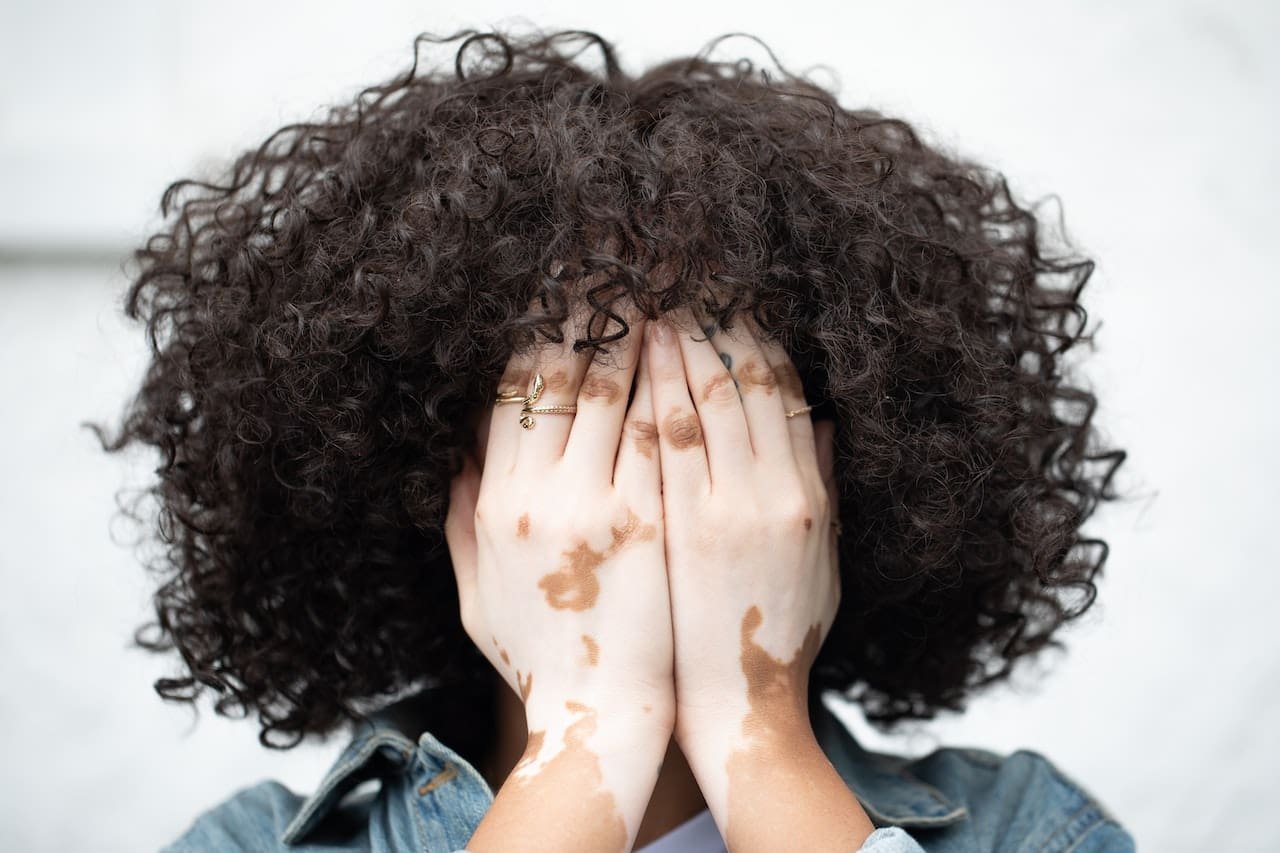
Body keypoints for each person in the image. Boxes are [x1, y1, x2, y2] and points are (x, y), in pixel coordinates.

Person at [91, 26, 1136, 851]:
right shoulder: (250, 844)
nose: (650, 461)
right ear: (447, 480)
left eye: (722, 407)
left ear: (832, 465)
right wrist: (590, 736)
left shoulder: (1032, 831)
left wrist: (755, 731)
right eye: (576, 404)